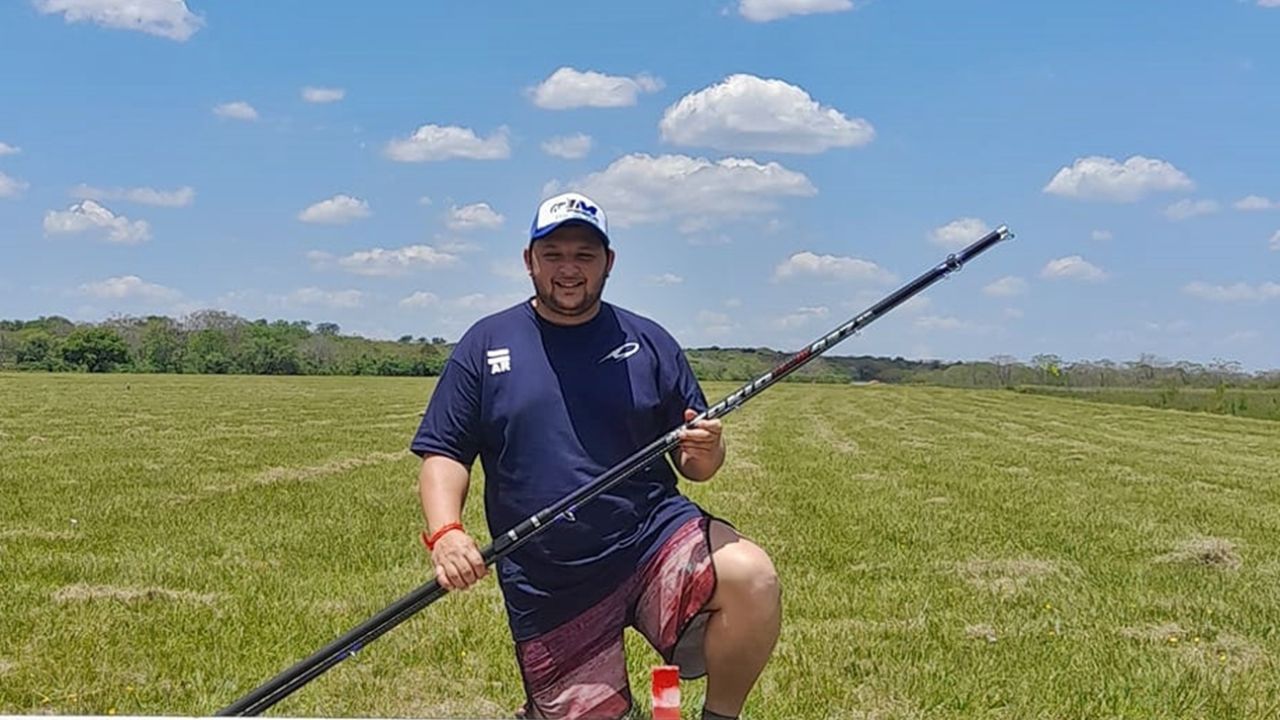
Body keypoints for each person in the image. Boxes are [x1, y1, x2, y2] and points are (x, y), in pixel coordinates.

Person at [410, 191, 781, 720]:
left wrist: (710, 447)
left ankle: (719, 716)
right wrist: (446, 532)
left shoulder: (650, 341)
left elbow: (697, 468)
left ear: (608, 263)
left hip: (652, 539)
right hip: (550, 574)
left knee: (751, 576)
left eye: (584, 255)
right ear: (529, 261)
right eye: (553, 254)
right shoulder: (486, 342)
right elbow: (444, 452)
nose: (568, 269)